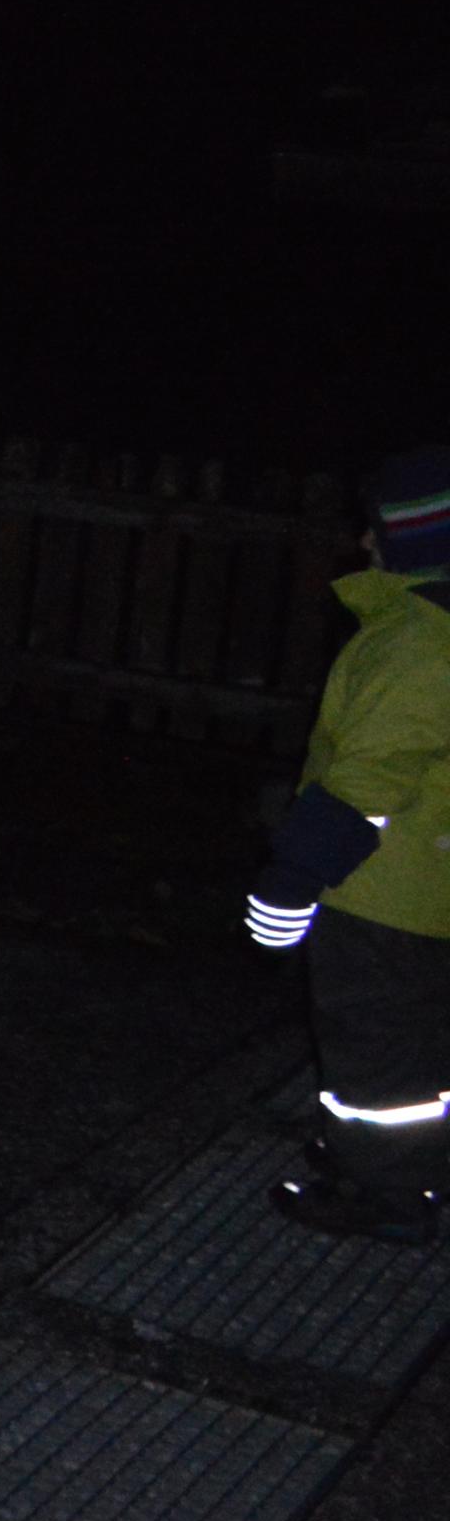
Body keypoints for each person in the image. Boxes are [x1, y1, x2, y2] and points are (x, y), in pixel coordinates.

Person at [246, 448, 450, 1245]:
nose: (364, 542)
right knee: (418, 1036)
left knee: (374, 1043)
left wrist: (292, 877)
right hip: (429, 885)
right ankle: (402, 1159)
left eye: (376, 530)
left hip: (381, 895)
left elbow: (368, 778)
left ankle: (387, 1191)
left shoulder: (420, 642)